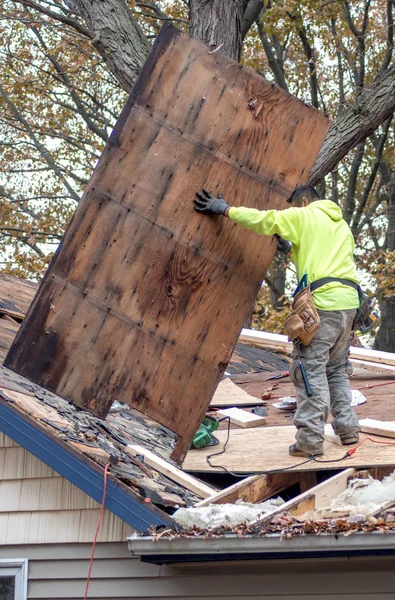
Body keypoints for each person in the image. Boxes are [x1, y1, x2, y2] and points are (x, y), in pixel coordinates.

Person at [194, 185, 360, 457]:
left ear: (304, 201)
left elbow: (265, 220)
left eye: (293, 207)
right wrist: (290, 251)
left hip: (323, 305)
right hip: (348, 306)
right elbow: (324, 257)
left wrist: (223, 210)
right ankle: (348, 430)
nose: (291, 212)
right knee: (337, 370)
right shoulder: (340, 225)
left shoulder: (305, 215)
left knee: (310, 370)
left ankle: (309, 441)